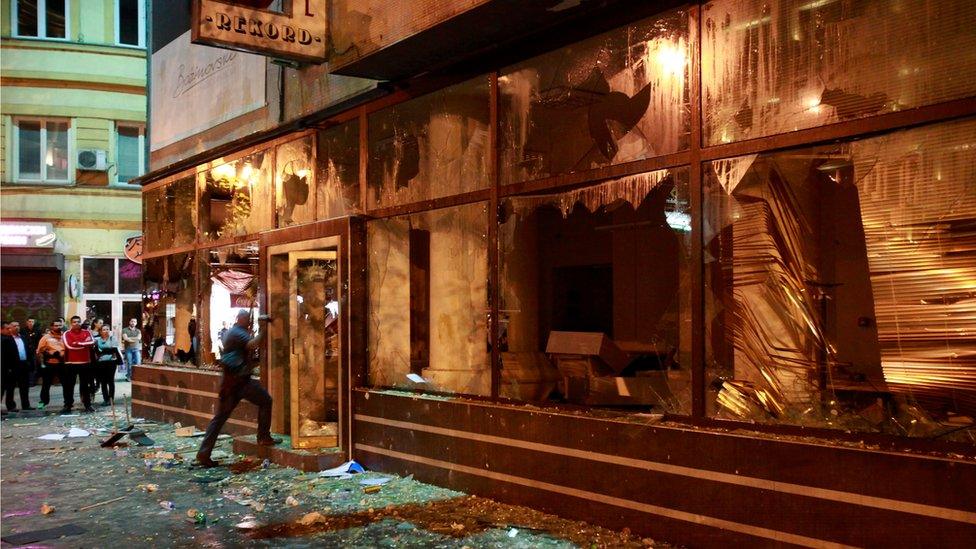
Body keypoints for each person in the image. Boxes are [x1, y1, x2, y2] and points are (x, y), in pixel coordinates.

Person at [197, 310, 280, 467]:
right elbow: (253, 344)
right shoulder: (237, 332)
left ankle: (204, 453)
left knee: (219, 418)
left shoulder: (233, 332)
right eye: (247, 319)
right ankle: (263, 437)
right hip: (239, 381)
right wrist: (263, 329)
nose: (248, 321)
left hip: (232, 382)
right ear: (240, 319)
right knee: (266, 401)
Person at [62, 315, 95, 413]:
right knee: (69, 385)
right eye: (74, 322)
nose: (77, 323)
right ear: (71, 323)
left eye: (78, 322)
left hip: (85, 362)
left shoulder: (87, 332)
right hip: (70, 363)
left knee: (85, 385)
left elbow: (92, 342)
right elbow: (69, 346)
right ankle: (68, 405)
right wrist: (84, 344)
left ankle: (87, 405)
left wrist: (78, 343)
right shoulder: (66, 333)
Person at [2, 320, 34, 411]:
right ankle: (11, 406)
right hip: (13, 366)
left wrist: (30, 363)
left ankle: (26, 405)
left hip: (24, 364)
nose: (17, 327)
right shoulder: (7, 339)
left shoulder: (23, 337)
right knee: (11, 387)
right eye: (14, 326)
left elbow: (29, 351)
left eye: (18, 325)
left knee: (24, 386)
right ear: (10, 328)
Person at [35, 319, 66, 410]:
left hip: (62, 364)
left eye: (59, 325)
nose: (58, 327)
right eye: (56, 325)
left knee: (66, 384)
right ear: (51, 327)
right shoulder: (46, 337)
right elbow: (39, 351)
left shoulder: (65, 336)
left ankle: (67, 403)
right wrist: (42, 364)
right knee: (46, 384)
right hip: (49, 364)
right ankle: (43, 402)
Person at [94, 325, 120, 406]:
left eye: (107, 329)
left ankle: (111, 398)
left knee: (110, 380)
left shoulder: (113, 339)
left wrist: (103, 351)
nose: (106, 331)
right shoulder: (97, 341)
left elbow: (113, 349)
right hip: (101, 362)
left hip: (111, 362)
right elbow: (97, 351)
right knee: (103, 381)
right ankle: (106, 399)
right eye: (104, 330)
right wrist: (106, 350)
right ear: (100, 331)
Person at [20, 318, 40, 387]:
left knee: (34, 366)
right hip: (25, 351)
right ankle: (26, 381)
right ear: (26, 322)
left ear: (34, 323)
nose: (31, 323)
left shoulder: (37, 330)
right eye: (29, 321)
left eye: (32, 321)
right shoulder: (23, 330)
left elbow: (39, 340)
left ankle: (33, 382)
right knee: (26, 366)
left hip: (35, 351)